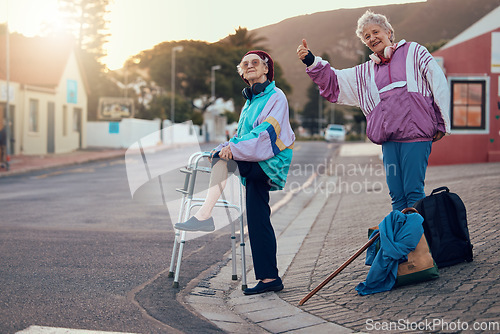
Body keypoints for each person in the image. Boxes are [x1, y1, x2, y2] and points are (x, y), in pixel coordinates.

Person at [297, 10, 450, 212]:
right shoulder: (366, 71)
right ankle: (402, 241)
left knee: (413, 193)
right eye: (367, 36)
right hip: (389, 142)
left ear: (388, 32)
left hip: (416, 138)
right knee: (396, 196)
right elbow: (336, 81)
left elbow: (438, 82)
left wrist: (441, 122)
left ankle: (418, 243)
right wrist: (311, 61)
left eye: (375, 32)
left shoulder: (414, 52)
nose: (372, 38)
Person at [174, 50, 295, 295]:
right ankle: (270, 278)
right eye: (245, 64)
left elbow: (266, 133)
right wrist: (228, 146)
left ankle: (204, 215)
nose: (250, 66)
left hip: (269, 159)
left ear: (265, 69)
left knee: (223, 162)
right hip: (254, 158)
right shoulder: (250, 102)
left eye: (255, 63)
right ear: (242, 72)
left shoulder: (276, 96)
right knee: (258, 217)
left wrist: (232, 149)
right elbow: (240, 136)